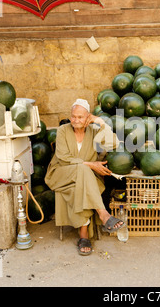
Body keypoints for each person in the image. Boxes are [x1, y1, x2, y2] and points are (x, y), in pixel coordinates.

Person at [45, 99, 124, 256]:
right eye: (73, 116)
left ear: (88, 116)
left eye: (80, 117)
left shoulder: (94, 132)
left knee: (79, 185)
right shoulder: (62, 130)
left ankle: (83, 236)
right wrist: (91, 164)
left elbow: (114, 143)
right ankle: (103, 214)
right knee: (83, 169)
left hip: (84, 180)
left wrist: (100, 122)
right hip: (61, 174)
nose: (75, 120)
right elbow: (63, 158)